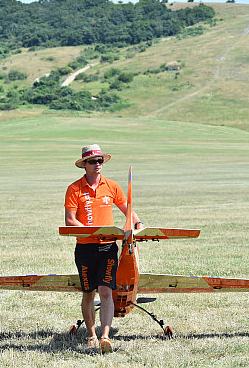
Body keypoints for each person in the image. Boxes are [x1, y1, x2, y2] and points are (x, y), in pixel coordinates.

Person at [64, 144, 142, 353]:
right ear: (84, 165)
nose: (98, 165)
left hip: (108, 248)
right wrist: (91, 232)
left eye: (100, 161)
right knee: (88, 292)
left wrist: (138, 223)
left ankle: (105, 337)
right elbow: (70, 220)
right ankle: (91, 336)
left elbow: (127, 209)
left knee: (106, 291)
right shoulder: (74, 189)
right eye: (93, 161)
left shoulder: (112, 186)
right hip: (85, 248)